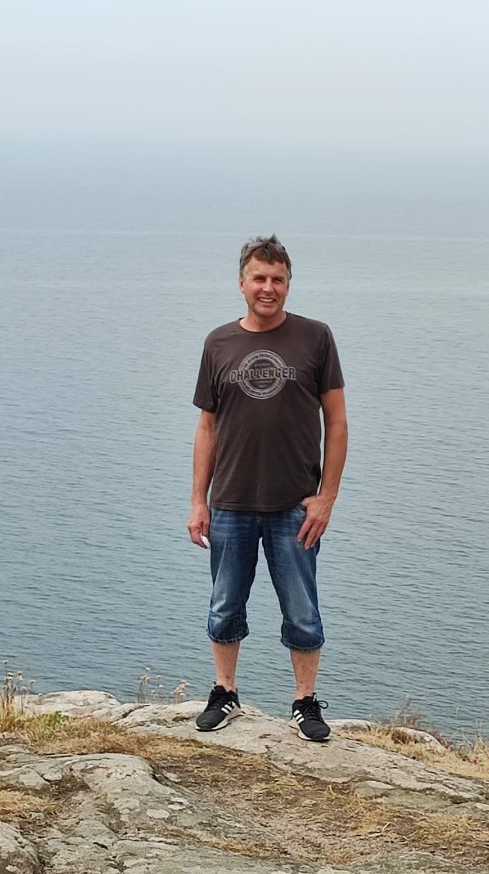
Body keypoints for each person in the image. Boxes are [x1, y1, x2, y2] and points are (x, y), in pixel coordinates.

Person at [187, 235, 348, 742]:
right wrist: (197, 501)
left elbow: (337, 421)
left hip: (294, 505)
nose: (268, 288)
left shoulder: (315, 337)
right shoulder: (218, 343)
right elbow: (207, 427)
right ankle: (225, 692)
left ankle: (305, 702)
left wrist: (326, 497)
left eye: (278, 279)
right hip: (230, 501)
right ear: (242, 283)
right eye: (259, 278)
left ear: (288, 284)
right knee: (224, 605)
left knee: (302, 610)